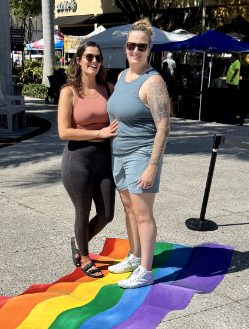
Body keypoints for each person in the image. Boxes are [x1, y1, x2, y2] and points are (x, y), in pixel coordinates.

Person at [106, 19, 171, 289]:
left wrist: (152, 167)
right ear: (125, 47)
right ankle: (134, 256)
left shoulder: (153, 81)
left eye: (141, 46)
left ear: (149, 49)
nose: (135, 50)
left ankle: (146, 270)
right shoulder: (122, 76)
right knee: (128, 208)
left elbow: (164, 126)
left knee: (143, 214)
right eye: (131, 45)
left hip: (141, 154)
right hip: (118, 154)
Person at [58, 41, 119, 278]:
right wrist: (98, 133)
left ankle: (78, 239)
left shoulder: (108, 88)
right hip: (78, 159)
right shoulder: (69, 92)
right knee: (82, 212)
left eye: (98, 58)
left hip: (103, 159)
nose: (94, 61)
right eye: (89, 57)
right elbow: (64, 132)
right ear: (79, 60)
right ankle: (84, 258)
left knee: (107, 214)